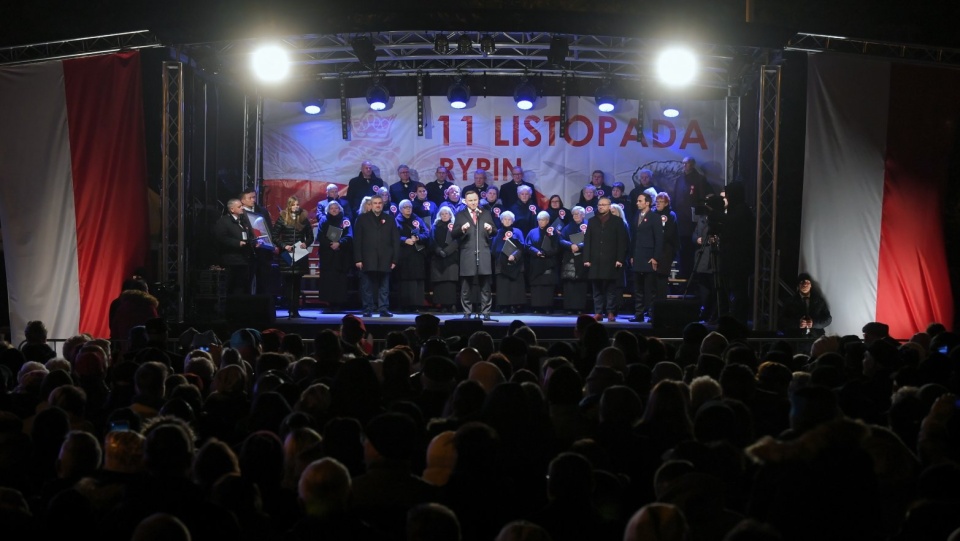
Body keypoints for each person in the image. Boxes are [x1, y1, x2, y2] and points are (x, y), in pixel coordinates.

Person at [452, 191, 497, 320]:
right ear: (465, 201)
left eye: (475, 200)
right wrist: (462, 229)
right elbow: (453, 234)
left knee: (485, 286)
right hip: (467, 253)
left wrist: (490, 229)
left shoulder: (486, 213)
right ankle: (467, 312)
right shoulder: (460, 215)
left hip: (483, 252)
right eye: (470, 200)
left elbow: (495, 231)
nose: (473, 203)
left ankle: (486, 312)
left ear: (478, 200)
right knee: (466, 286)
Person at [583, 197, 628, 322]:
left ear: (609, 206)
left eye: (604, 204)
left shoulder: (617, 221)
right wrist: (586, 258)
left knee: (610, 289)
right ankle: (598, 312)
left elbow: (621, 242)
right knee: (596, 289)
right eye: (599, 204)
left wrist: (620, 259)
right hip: (595, 260)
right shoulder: (592, 221)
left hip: (611, 259)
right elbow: (588, 240)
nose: (601, 206)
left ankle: (610, 312)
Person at [354, 195, 399, 318]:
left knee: (384, 286)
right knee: (366, 285)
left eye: (379, 203)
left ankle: (383, 308)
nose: (377, 205)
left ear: (382, 204)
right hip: (367, 258)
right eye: (375, 203)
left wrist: (395, 259)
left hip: (385, 258)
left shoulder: (389, 219)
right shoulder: (362, 219)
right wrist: (358, 259)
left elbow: (395, 240)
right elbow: (357, 240)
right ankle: (367, 308)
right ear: (371, 205)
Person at [716, 182, 754, 324]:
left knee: (739, 292)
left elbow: (732, 225)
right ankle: (730, 317)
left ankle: (738, 320)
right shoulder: (737, 210)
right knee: (734, 291)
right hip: (732, 259)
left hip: (739, 261)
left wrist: (717, 215)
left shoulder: (741, 211)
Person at [273, 196, 315, 318]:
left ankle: (295, 309)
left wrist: (305, 244)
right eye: (293, 204)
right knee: (288, 283)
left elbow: (310, 237)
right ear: (289, 206)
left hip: (299, 254)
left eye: (297, 204)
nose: (296, 206)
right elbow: (274, 236)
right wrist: (284, 245)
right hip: (286, 253)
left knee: (297, 283)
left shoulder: (303, 219)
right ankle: (289, 308)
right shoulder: (282, 218)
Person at [671, 157, 714, 275]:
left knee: (692, 248)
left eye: (687, 163)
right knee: (682, 248)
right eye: (683, 163)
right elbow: (675, 198)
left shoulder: (699, 179)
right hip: (680, 219)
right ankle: (683, 272)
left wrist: (698, 217)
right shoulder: (679, 179)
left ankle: (692, 275)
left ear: (693, 164)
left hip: (693, 221)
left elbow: (701, 199)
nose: (684, 165)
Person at [690, 193, 725, 323]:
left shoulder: (720, 219)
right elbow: (694, 233)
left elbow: (717, 238)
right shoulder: (702, 219)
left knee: (715, 288)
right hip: (701, 255)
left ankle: (714, 314)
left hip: (713, 258)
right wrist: (696, 239)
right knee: (703, 288)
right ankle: (704, 311)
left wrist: (706, 240)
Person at [629, 192, 663, 322]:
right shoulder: (636, 216)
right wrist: (632, 255)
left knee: (650, 289)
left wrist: (656, 257)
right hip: (637, 256)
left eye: (640, 201)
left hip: (649, 257)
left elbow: (659, 239)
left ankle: (651, 314)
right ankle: (639, 314)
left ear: (647, 202)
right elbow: (634, 238)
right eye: (637, 201)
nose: (637, 203)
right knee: (638, 288)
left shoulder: (655, 217)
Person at [316, 200, 353, 314]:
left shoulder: (345, 220)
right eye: (331, 208)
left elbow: (350, 235)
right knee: (328, 280)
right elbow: (320, 236)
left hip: (341, 255)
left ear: (340, 209)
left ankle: (339, 304)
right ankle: (329, 303)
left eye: (336, 208)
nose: (334, 210)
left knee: (340, 280)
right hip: (327, 255)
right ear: (328, 210)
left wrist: (339, 243)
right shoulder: (324, 220)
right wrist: (330, 244)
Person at [214, 198, 256, 295]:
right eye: (239, 206)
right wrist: (237, 243)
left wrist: (253, 242)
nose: (242, 208)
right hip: (231, 260)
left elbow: (248, 235)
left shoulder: (243, 221)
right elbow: (221, 238)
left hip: (244, 259)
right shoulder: (224, 221)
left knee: (242, 286)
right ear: (232, 209)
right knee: (233, 286)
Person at [241, 187, 277, 296]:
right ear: (243, 200)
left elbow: (269, 229)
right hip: (248, 252)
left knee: (264, 281)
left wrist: (271, 244)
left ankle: (264, 307)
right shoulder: (240, 212)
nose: (253, 200)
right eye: (250, 198)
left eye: (254, 197)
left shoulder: (262, 211)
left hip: (263, 251)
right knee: (247, 281)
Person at [395, 199, 429, 313]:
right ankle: (405, 304)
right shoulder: (397, 221)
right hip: (404, 255)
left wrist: (418, 238)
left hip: (417, 254)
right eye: (405, 207)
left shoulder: (417, 219)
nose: (408, 208)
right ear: (400, 209)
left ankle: (417, 304)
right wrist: (405, 240)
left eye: (409, 206)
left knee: (418, 280)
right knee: (406, 280)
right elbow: (393, 236)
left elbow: (426, 233)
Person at [525, 211, 559, 314]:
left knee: (547, 286)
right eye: (539, 220)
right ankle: (536, 307)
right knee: (536, 286)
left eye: (543, 220)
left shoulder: (553, 232)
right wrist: (537, 252)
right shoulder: (532, 232)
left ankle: (547, 307)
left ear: (548, 220)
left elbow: (557, 247)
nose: (541, 222)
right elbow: (527, 245)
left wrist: (545, 253)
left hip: (548, 262)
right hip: (535, 262)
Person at [493, 211, 526, 314]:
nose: (507, 221)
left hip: (516, 263)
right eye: (505, 219)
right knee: (503, 286)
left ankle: (514, 306)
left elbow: (522, 247)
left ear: (513, 221)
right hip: (501, 264)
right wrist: (504, 255)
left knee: (514, 287)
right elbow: (494, 248)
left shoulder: (518, 232)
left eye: (509, 219)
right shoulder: (498, 232)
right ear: (501, 220)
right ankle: (504, 306)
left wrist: (514, 255)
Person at [109, 278, 160, 343]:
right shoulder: (148, 307)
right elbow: (155, 326)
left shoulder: (123, 307)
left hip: (126, 346)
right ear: (145, 291)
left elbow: (114, 330)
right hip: (145, 347)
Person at [559, 206, 589, 314]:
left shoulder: (588, 226)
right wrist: (570, 245)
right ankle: (569, 308)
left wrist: (580, 246)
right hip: (570, 258)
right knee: (569, 285)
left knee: (581, 285)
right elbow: (561, 239)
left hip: (583, 258)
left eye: (578, 214)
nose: (576, 216)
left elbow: (592, 239)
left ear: (583, 215)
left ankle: (580, 308)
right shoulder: (568, 227)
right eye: (574, 214)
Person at [654, 191, 680, 314]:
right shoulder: (653, 213)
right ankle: (651, 309)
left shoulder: (671, 215)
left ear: (667, 203)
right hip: (652, 250)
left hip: (665, 251)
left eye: (661, 202)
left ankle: (662, 308)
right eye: (657, 201)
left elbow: (670, 233)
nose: (658, 204)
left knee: (662, 279)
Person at [430, 206, 460, 313]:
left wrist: (447, 251)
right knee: (440, 284)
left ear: (450, 215)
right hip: (438, 258)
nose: (444, 215)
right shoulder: (435, 226)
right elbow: (432, 240)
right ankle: (442, 305)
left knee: (450, 283)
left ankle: (451, 305)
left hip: (451, 257)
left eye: (446, 214)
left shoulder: (455, 226)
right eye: (442, 214)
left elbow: (457, 240)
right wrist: (439, 251)